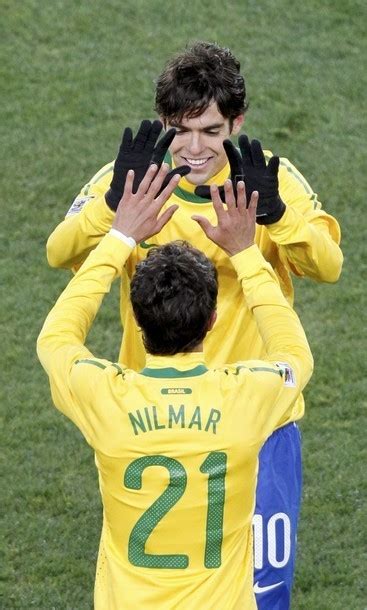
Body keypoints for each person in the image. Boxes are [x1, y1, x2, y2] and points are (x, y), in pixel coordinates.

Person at [46, 42, 343, 608]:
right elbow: (59, 252)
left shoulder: (269, 178)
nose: (196, 147)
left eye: (210, 130)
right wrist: (112, 206)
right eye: (181, 130)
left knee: (263, 590)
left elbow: (328, 266)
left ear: (237, 122)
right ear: (164, 123)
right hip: (156, 416)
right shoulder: (129, 177)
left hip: (258, 419)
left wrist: (277, 217)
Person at [38, 161, 313, 609]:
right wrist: (245, 252)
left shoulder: (105, 398)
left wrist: (119, 238)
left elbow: (57, 336)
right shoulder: (247, 397)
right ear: (212, 320)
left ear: (137, 319)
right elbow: (293, 350)